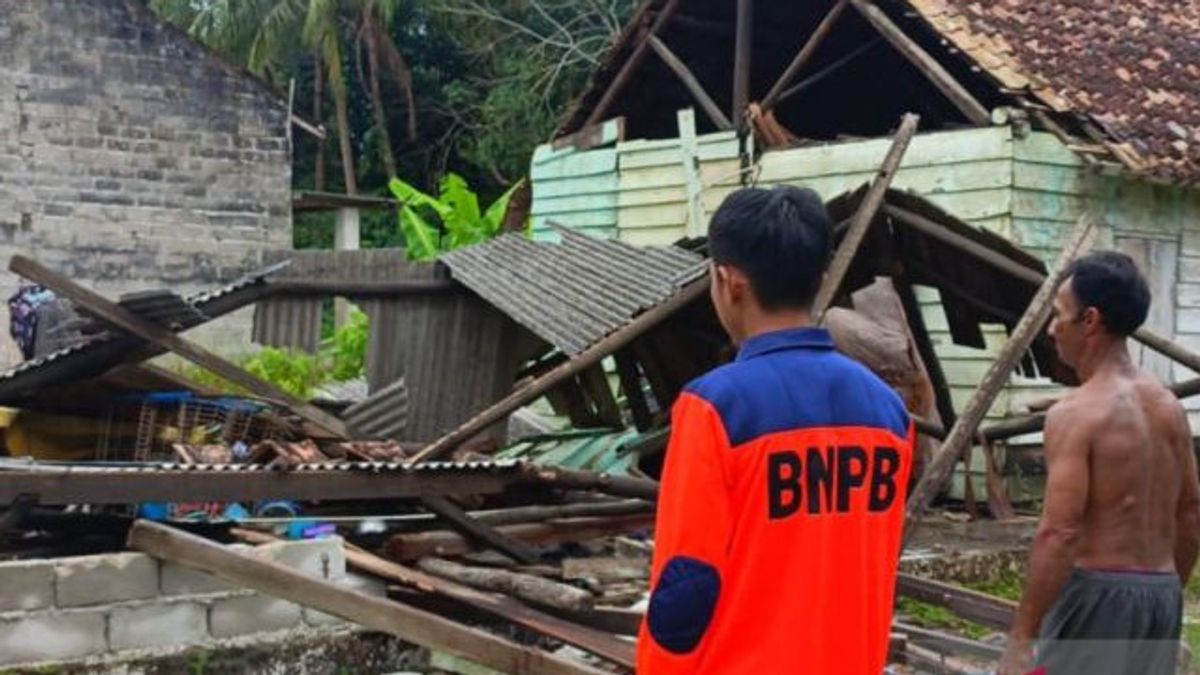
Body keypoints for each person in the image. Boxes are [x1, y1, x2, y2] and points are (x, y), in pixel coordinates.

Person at [636, 186, 915, 674]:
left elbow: (686, 585)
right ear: (820, 276)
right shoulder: (887, 413)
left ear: (728, 281)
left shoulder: (715, 406)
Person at [997, 251, 1200, 675]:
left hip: (1096, 598)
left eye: (1058, 316)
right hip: (1162, 593)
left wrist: (1021, 637)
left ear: (1089, 320)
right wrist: (1163, 595)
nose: (1052, 329)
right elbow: (1190, 513)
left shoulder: (1077, 413)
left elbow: (1060, 531)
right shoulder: (1169, 408)